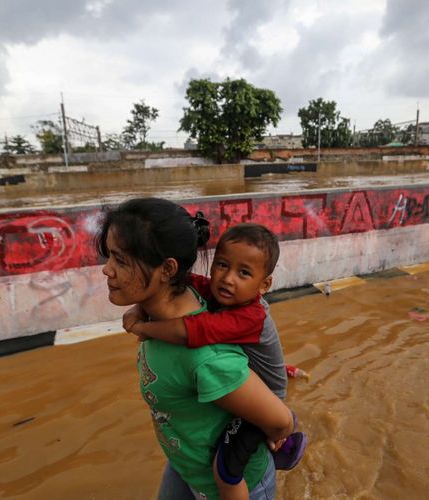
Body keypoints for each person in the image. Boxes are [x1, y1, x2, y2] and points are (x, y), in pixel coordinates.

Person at [97, 198, 294, 499]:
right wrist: (142, 309)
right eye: (109, 256)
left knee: (227, 470)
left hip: (251, 432)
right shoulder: (193, 292)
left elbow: (280, 419)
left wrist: (142, 328)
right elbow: (184, 282)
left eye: (120, 260)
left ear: (167, 269)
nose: (106, 270)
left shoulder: (211, 352)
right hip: (186, 459)